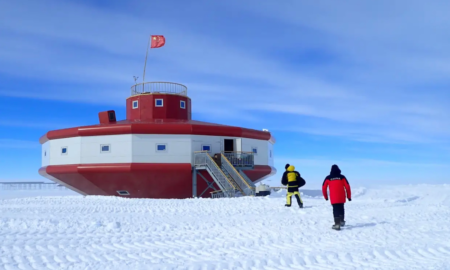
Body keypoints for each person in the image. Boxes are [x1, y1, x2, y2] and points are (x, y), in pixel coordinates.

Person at [322, 164, 352, 230]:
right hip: (341, 196)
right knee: (341, 207)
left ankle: (337, 224)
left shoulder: (328, 178)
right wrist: (348, 196)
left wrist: (326, 196)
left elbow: (324, 187)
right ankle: (342, 221)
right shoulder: (342, 177)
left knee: (335, 209)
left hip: (333, 197)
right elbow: (347, 186)